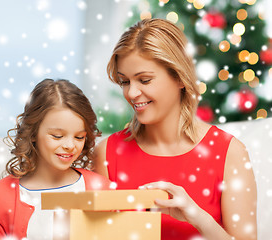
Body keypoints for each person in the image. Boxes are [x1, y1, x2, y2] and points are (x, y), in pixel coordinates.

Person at [93, 18, 257, 240]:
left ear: (179, 77)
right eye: (125, 82)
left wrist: (198, 218)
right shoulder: (107, 154)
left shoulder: (229, 153)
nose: (132, 93)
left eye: (145, 80)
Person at [0, 79, 111, 240]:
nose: (70, 145)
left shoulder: (101, 189)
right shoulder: (1, 197)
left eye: (79, 137)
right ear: (33, 133)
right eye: (57, 136)